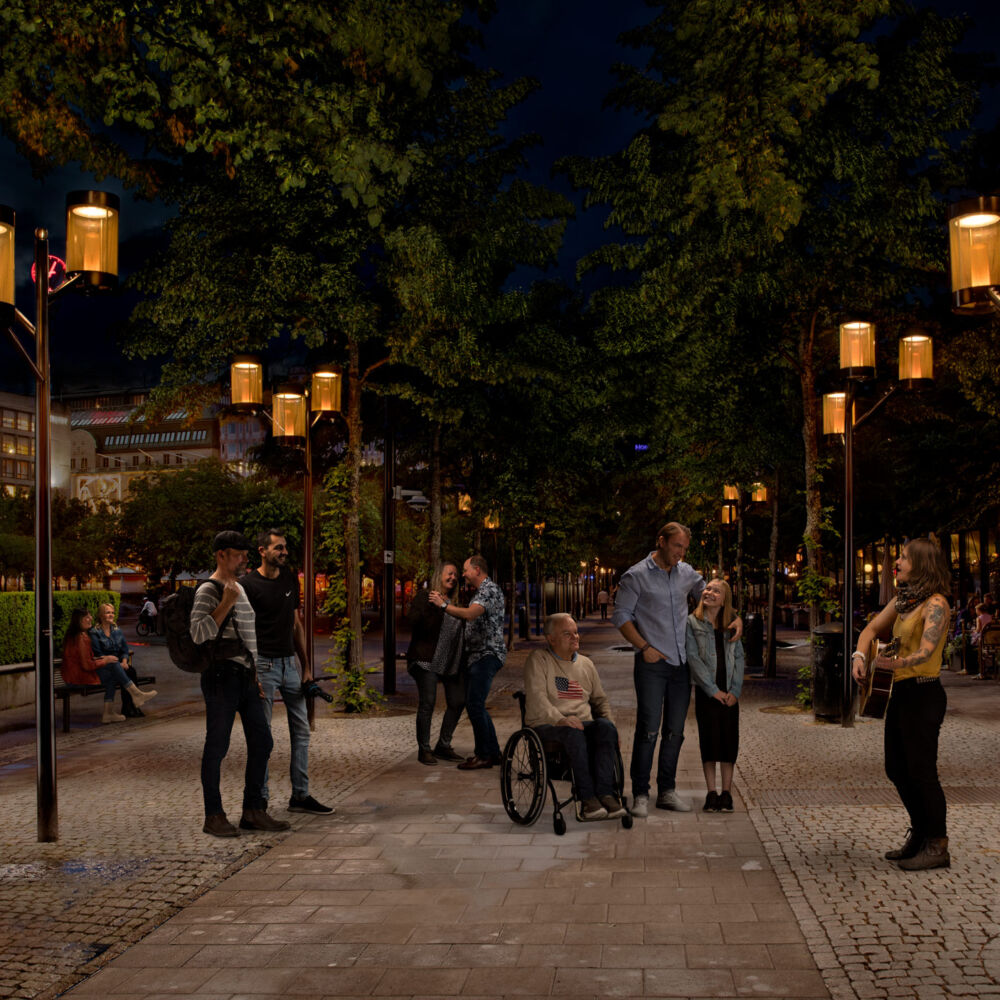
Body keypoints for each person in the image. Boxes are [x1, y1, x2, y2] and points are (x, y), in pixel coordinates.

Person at [613, 521, 742, 818]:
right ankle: (641, 794)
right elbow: (621, 616)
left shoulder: (688, 574)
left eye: (684, 548)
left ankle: (667, 791)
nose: (680, 553)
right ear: (661, 541)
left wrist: (737, 619)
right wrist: (644, 648)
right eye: (676, 546)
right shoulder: (636, 576)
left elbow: (714, 596)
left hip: (682, 666)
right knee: (648, 730)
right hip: (652, 664)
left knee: (675, 732)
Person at [851, 537, 951, 871]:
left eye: (905, 558)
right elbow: (870, 630)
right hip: (902, 694)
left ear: (921, 564)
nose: (898, 562)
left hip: (924, 693)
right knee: (896, 768)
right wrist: (860, 656)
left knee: (923, 771)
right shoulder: (904, 600)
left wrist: (892, 664)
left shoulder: (936, 604)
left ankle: (937, 844)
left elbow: (925, 651)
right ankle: (920, 833)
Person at [190, 530, 290, 838]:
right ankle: (213, 815)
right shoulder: (209, 589)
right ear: (221, 555)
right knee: (217, 746)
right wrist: (225, 603)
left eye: (245, 554)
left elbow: (249, 637)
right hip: (221, 676)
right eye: (238, 554)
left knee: (263, 741)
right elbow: (198, 633)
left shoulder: (238, 588)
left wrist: (256, 676)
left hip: (245, 675)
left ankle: (253, 811)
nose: (244, 558)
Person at [241, 528, 333, 815]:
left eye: (284, 548)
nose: (284, 552)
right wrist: (252, 670)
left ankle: (300, 796)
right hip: (263, 667)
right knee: (262, 735)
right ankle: (262, 799)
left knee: (302, 731)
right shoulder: (248, 585)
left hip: (289, 665)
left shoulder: (289, 580)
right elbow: (242, 632)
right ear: (262, 551)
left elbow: (297, 625)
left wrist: (306, 668)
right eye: (278, 548)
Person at [524, 613, 626, 821]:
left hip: (582, 723)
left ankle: (606, 794)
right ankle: (587, 799)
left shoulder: (586, 664)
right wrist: (560, 718)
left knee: (605, 728)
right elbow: (537, 697)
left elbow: (599, 700)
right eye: (567, 634)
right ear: (551, 639)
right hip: (548, 723)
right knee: (573, 732)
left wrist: (612, 726)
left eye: (576, 632)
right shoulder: (539, 660)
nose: (575, 637)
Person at [429, 554, 506, 770]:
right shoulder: (483, 591)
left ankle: (483, 755)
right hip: (478, 655)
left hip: (486, 654)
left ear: (477, 570)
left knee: (474, 704)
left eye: (465, 570)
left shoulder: (488, 590)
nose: (462, 575)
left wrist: (444, 605)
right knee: (477, 705)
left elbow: (471, 614)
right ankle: (493, 752)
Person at [686, 579, 744, 812]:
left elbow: (739, 657)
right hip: (707, 692)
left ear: (724, 598)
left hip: (730, 692)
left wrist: (735, 691)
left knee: (729, 743)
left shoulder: (732, 623)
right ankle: (711, 792)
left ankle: (727, 793)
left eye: (715, 591)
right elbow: (693, 658)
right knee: (709, 743)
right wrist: (712, 690)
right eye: (707, 589)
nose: (709, 593)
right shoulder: (693, 622)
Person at [406, 562, 466, 765]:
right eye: (450, 573)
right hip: (425, 660)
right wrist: (434, 606)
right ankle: (424, 749)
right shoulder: (425, 596)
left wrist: (445, 605)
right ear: (439, 575)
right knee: (428, 703)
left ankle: (443, 745)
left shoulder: (454, 601)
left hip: (449, 661)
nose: (453, 577)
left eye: (456, 575)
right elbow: (413, 622)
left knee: (458, 700)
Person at [61, 607, 157, 724]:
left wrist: (117, 660)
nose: (90, 618)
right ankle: (135, 695)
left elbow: (123, 649)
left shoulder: (82, 635)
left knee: (117, 668)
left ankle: (109, 712)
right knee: (113, 665)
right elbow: (87, 665)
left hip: (78, 674)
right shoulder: (82, 637)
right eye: (87, 617)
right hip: (79, 677)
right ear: (79, 620)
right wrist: (105, 660)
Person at [90, 602, 145, 718]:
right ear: (101, 615)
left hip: (118, 664)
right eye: (108, 613)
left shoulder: (116, 630)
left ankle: (130, 707)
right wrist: (113, 661)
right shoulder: (95, 632)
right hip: (104, 666)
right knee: (126, 672)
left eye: (112, 613)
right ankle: (132, 705)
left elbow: (124, 650)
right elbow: (98, 653)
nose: (111, 615)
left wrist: (124, 661)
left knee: (130, 670)